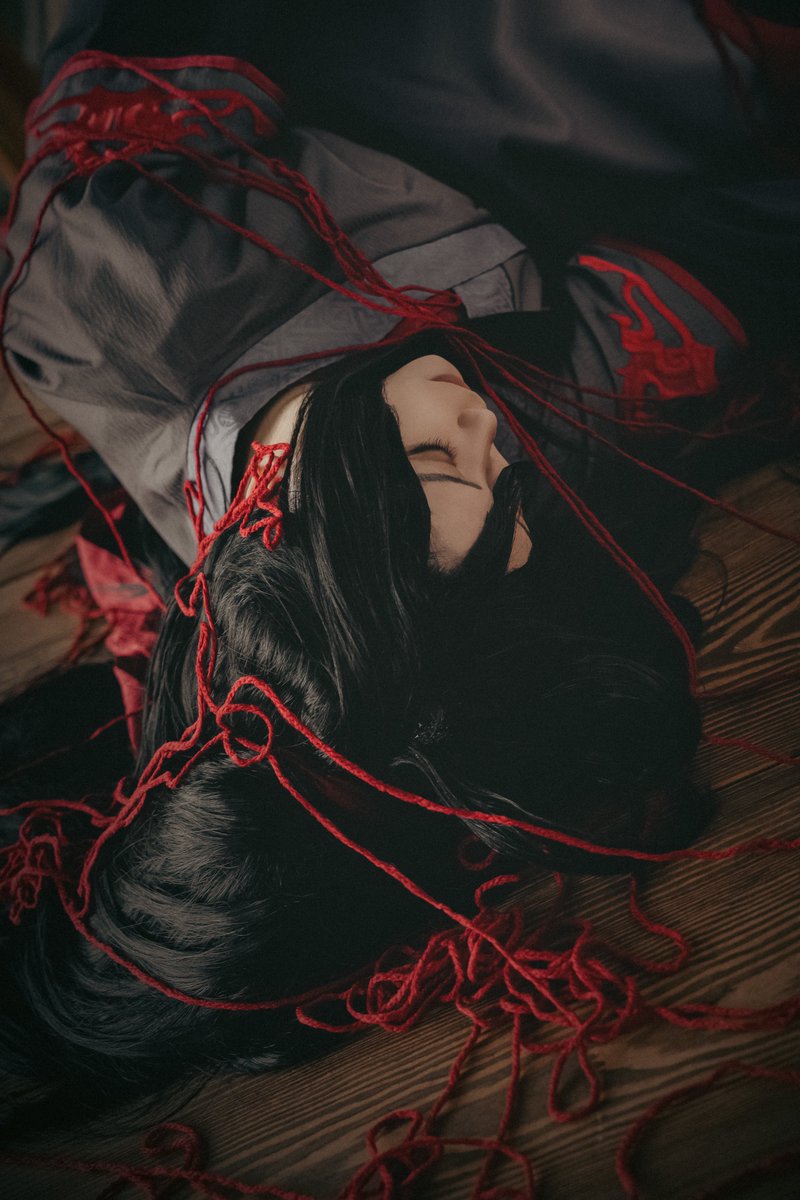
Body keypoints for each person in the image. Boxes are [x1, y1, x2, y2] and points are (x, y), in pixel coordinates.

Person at [0, 0, 797, 1138]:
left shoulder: (108, 274)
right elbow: (737, 256)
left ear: (276, 507)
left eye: (432, 459)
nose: (485, 433)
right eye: (501, 505)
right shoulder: (542, 464)